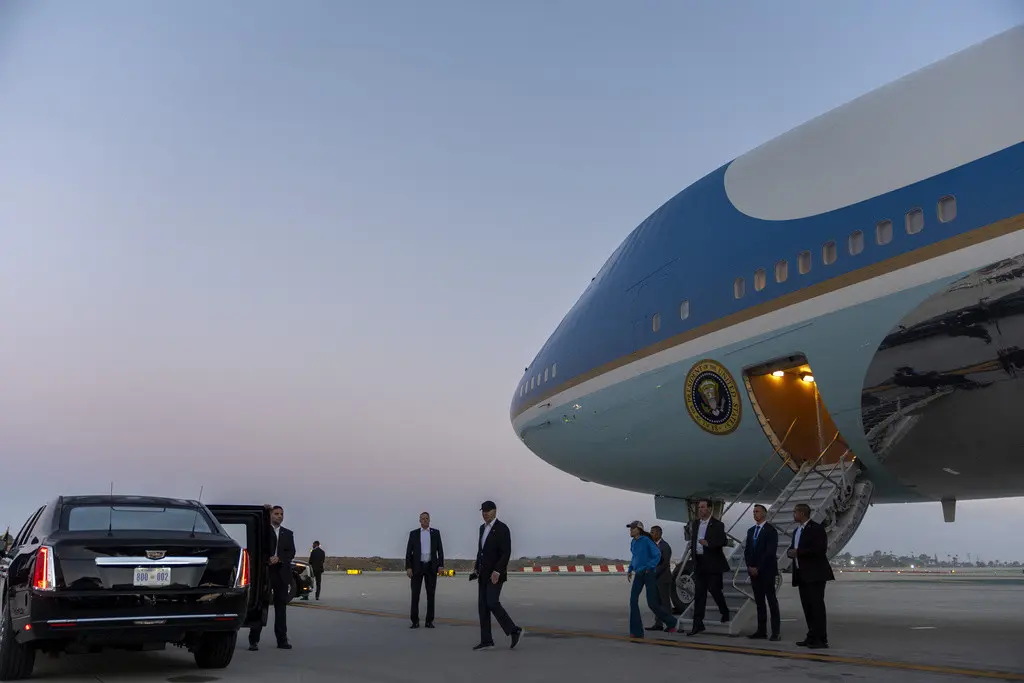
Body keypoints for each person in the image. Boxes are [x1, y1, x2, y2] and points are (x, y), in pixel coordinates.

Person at [470, 501, 523, 650]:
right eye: (483, 511)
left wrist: (498, 571)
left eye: (488, 510)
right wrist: (476, 568)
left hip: (495, 574)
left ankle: (514, 630)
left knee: (492, 602)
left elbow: (506, 552)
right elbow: (481, 551)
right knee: (483, 607)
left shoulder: (502, 528)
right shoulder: (482, 528)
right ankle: (486, 640)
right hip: (483, 574)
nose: (485, 513)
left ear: (495, 511)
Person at [787, 502, 834, 648]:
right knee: (807, 607)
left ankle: (821, 639)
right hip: (801, 575)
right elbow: (793, 548)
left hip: (815, 575)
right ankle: (812, 635)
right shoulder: (797, 531)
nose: (793, 515)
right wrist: (790, 552)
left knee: (817, 607)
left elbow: (820, 549)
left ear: (802, 513)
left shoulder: (817, 528)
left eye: (795, 512)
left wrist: (798, 552)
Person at [249, 504, 295, 651]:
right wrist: (268, 559)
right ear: (270, 515)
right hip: (265, 572)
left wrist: (279, 558)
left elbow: (291, 552)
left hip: (281, 573)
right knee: (262, 605)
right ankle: (254, 640)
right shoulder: (263, 532)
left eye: (281, 514)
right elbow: (257, 549)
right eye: (276, 514)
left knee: (281, 608)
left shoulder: (288, 533)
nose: (279, 516)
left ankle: (282, 640)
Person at [685, 499, 730, 636]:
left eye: (703, 507)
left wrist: (708, 543)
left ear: (710, 509)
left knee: (715, 590)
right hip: (699, 562)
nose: (700, 509)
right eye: (699, 507)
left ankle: (725, 611)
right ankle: (698, 624)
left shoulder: (718, 524)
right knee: (699, 594)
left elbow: (723, 541)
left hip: (713, 562)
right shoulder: (696, 524)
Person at [626, 521, 678, 638]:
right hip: (639, 574)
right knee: (633, 601)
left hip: (648, 574)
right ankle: (636, 631)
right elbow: (635, 557)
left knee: (652, 603)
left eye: (633, 528)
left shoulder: (646, 541)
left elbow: (657, 555)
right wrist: (630, 569)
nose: (630, 530)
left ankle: (671, 622)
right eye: (630, 529)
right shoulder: (633, 542)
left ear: (639, 529)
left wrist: (649, 567)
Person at [744, 504, 781, 641]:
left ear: (764, 514)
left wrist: (758, 567)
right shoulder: (751, 531)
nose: (755, 514)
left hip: (766, 571)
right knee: (759, 602)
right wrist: (749, 566)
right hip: (754, 572)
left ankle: (776, 632)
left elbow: (770, 552)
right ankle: (761, 630)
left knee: (771, 601)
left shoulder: (771, 530)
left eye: (757, 511)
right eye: (753, 512)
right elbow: (747, 550)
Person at [405, 511, 445, 628]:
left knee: (431, 595)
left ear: (429, 520)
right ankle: (415, 621)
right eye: (422, 519)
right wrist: (408, 567)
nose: (425, 520)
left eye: (427, 518)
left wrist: (440, 565)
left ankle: (429, 621)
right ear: (419, 521)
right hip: (417, 567)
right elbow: (408, 552)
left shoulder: (435, 533)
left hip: (431, 567)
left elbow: (440, 551)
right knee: (415, 594)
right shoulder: (414, 534)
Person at [646, 525, 674, 631]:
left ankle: (670, 624)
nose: (651, 534)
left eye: (652, 532)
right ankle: (658, 624)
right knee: (656, 603)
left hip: (663, 578)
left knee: (665, 603)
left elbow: (664, 564)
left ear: (658, 534)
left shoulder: (665, 546)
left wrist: (653, 573)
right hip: (655, 579)